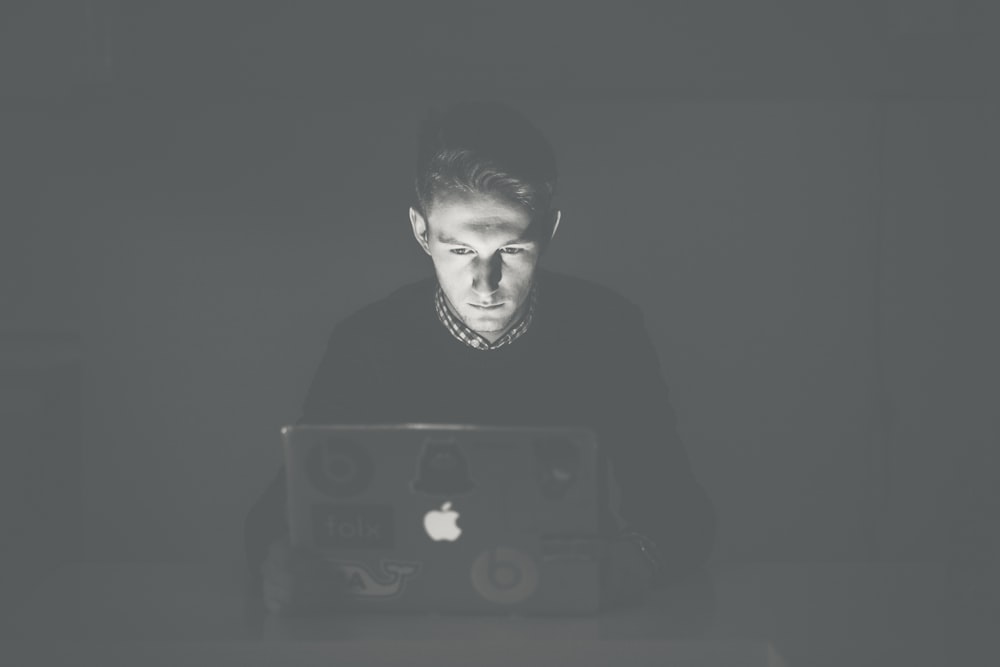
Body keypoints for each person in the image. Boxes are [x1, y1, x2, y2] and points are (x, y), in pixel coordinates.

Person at [245, 100, 715, 615]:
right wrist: (281, 567)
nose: (485, 286)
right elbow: (281, 515)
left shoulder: (605, 331)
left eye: (511, 251)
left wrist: (633, 562)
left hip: (567, 623)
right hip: (403, 625)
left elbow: (680, 512)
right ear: (422, 232)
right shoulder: (370, 343)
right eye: (462, 251)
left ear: (549, 231)